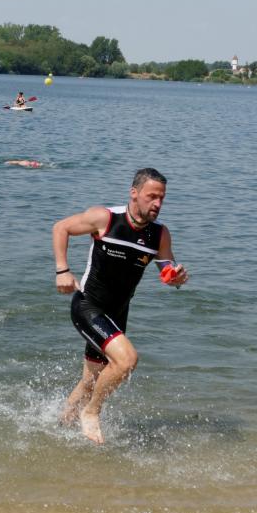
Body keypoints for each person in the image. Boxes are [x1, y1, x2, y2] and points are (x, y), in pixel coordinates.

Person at [53, 167, 189, 444]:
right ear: (134, 193)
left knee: (92, 381)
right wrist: (62, 270)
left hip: (117, 314)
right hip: (88, 306)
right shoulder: (106, 218)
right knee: (127, 360)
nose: (158, 204)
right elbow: (61, 227)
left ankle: (59, 428)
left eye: (162, 198)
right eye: (152, 197)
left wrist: (175, 278)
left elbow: (167, 267)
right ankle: (92, 412)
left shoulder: (159, 235)